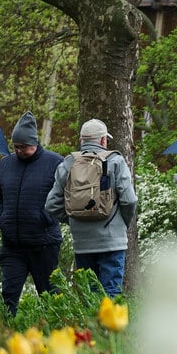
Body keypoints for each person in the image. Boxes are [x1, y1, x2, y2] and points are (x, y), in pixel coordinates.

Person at [45, 119, 137, 297]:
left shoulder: (68, 164)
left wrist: (75, 218)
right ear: (103, 141)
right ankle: (109, 325)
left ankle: (90, 325)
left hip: (82, 243)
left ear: (81, 140)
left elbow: (51, 204)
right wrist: (120, 223)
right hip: (112, 241)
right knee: (111, 292)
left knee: (89, 295)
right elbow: (129, 200)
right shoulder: (116, 161)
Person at [0, 111, 65, 316]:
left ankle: (55, 337)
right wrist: (0, 218)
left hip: (43, 244)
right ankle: (5, 337)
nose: (18, 150)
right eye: (15, 146)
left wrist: (45, 217)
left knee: (50, 295)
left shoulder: (55, 163)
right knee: (8, 296)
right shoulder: (6, 164)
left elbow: (65, 197)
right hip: (12, 245)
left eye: (23, 147)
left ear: (34, 142)